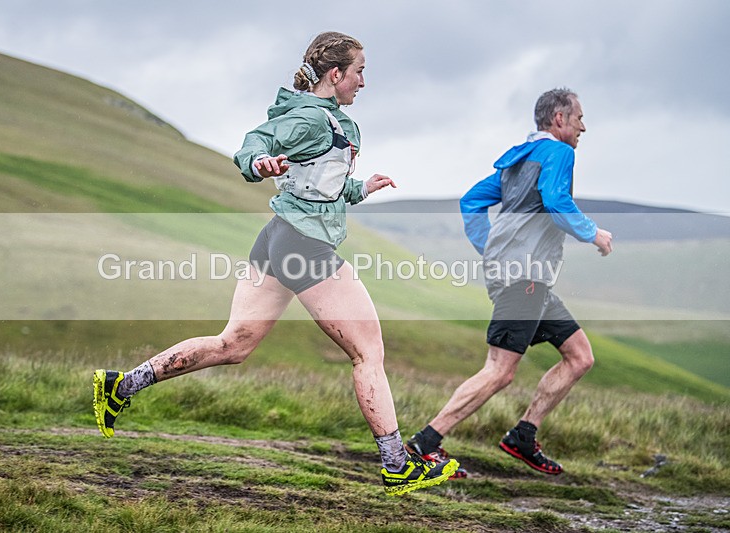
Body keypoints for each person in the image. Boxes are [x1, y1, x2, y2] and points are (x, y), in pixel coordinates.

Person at [92, 31, 458, 496]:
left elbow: (320, 184)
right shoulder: (309, 117)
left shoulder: (331, 119)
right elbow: (254, 143)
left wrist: (360, 188)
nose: (364, 81)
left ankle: (120, 386)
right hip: (303, 245)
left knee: (234, 344)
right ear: (336, 74)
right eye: (360, 71)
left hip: (278, 239)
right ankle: (396, 466)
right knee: (368, 352)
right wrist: (258, 162)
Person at [406, 88, 613, 475]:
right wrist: (593, 233)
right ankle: (424, 443)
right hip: (525, 280)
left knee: (580, 356)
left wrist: (493, 249)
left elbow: (471, 200)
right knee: (500, 370)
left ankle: (523, 434)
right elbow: (555, 201)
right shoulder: (558, 153)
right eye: (579, 117)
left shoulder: (518, 160)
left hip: (528, 279)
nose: (584, 126)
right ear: (559, 119)